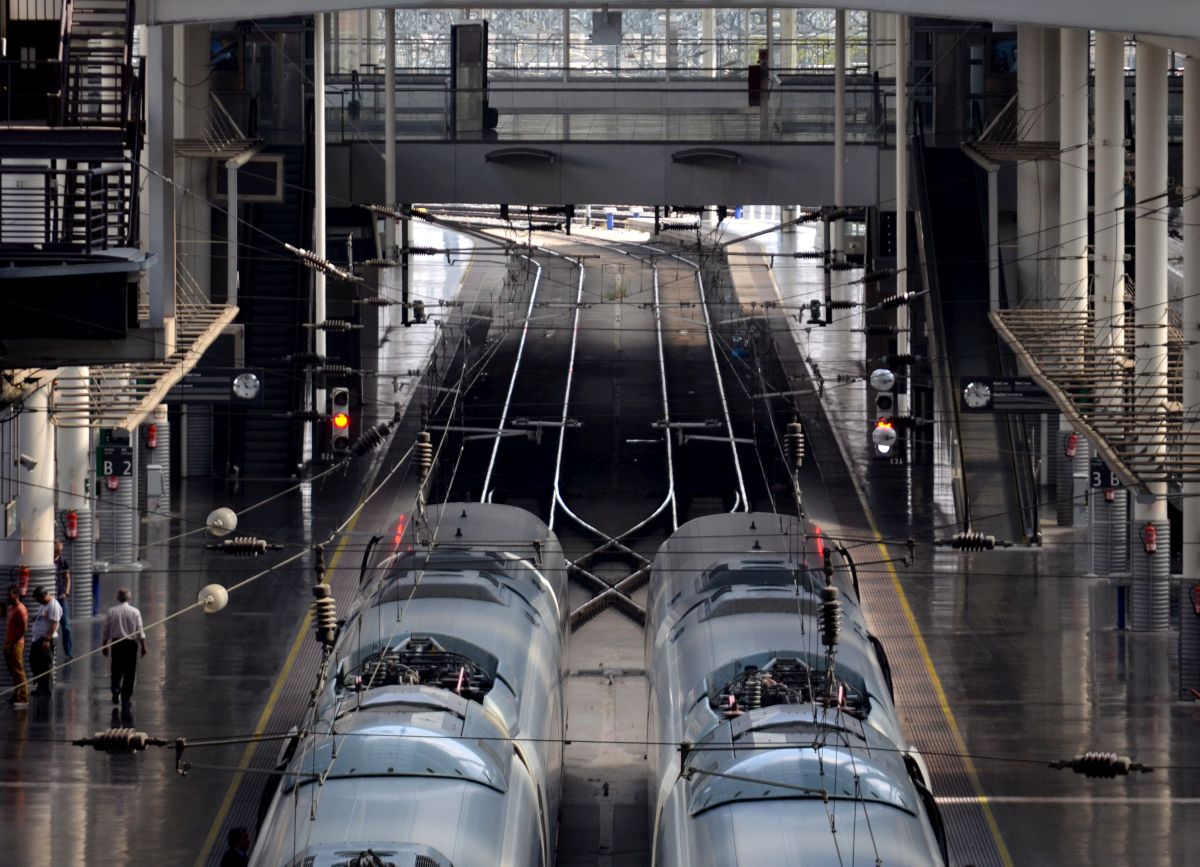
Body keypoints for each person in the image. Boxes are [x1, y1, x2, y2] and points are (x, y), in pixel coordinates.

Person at [101, 588, 146, 705]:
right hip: (130, 645)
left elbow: (106, 630)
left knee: (116, 670)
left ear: (118, 598)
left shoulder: (111, 611)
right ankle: (126, 696)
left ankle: (115, 692)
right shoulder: (135, 612)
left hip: (116, 644)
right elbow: (140, 631)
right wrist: (143, 646)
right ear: (129, 598)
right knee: (129, 672)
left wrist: (104, 645)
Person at [28, 587, 61, 697]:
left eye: (38, 599)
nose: (37, 601)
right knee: (34, 662)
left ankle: (45, 690)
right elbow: (42, 618)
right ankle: (40, 687)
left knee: (45, 665)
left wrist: (47, 640)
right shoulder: (44, 605)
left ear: (44, 595)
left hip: (46, 638)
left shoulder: (54, 606)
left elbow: (54, 625)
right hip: (38, 638)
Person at [3, 585, 28, 708]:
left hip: (16, 644)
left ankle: (23, 697)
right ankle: (16, 694)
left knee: (19, 671)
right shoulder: (10, 608)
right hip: (8, 643)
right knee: (13, 671)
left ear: (16, 595)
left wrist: (13, 643)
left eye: (10, 595)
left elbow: (24, 629)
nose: (8, 597)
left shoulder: (21, 609)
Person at [53, 540, 73, 659]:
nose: (58, 553)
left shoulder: (63, 562)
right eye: (56, 551)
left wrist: (66, 592)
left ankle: (68, 651)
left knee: (66, 625)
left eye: (59, 551)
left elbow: (67, 578)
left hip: (61, 597)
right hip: (52, 597)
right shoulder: (47, 561)